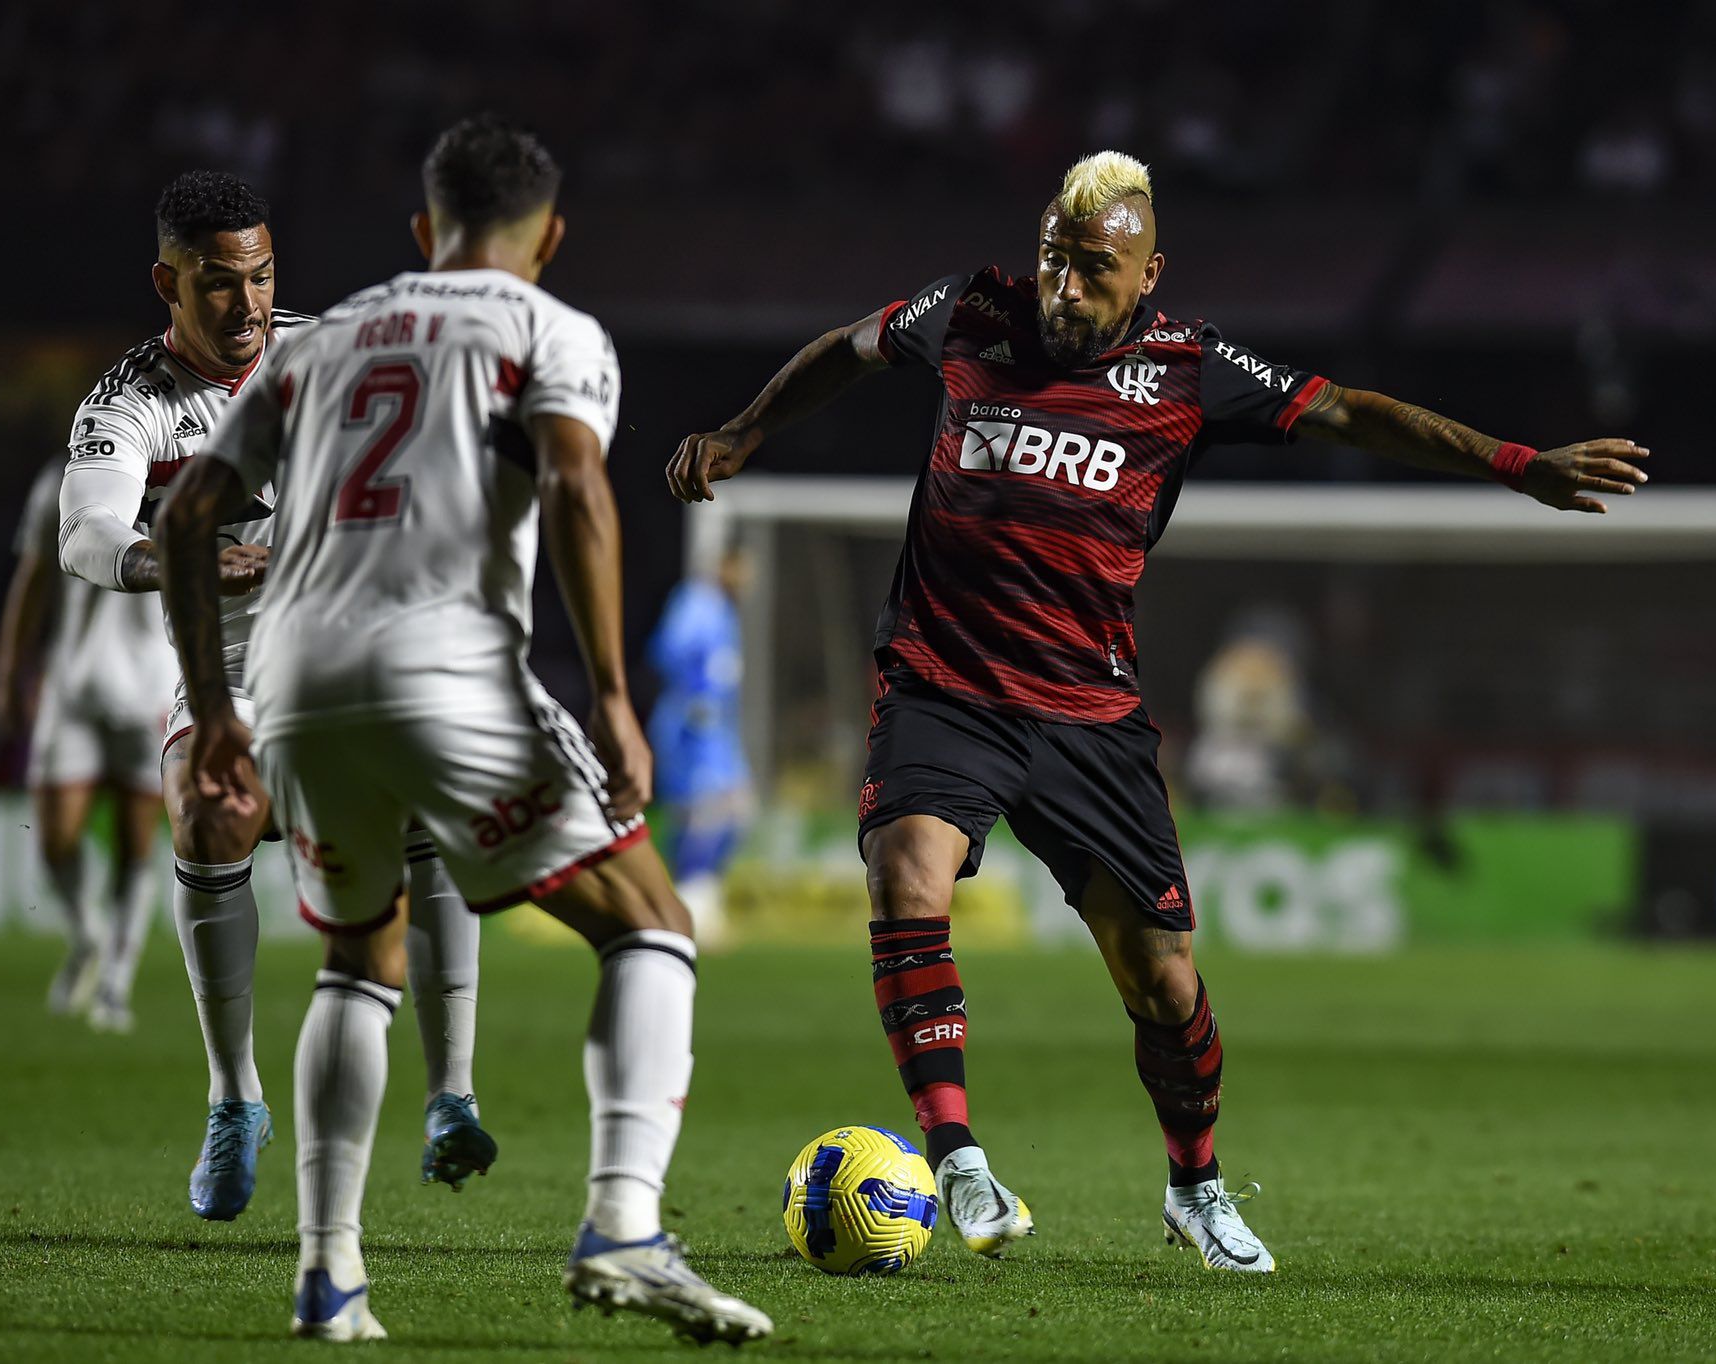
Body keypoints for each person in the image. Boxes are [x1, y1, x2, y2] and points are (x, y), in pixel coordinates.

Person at [668, 150, 1650, 1273]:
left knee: (1163, 979)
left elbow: (1350, 413)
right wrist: (745, 428)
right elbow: (839, 352)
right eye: (1054, 260)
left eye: (1094, 268)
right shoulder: (967, 311)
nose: (1065, 287)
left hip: (1089, 715)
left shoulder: (1187, 368)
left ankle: (1196, 1186)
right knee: (905, 873)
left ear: (1146, 275)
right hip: (942, 683)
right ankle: (955, 1153)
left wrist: (1514, 463)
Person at [156, 116, 771, 1344]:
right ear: (548, 236)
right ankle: (623, 1227)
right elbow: (577, 485)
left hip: (295, 682)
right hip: (445, 662)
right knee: (651, 920)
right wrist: (608, 694)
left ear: (423, 232)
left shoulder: (320, 340)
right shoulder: (549, 328)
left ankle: (329, 1276)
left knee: (355, 956)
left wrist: (216, 710)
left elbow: (186, 517)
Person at [56, 171, 494, 1221]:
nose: (246, 304)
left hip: (371, 655)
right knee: (208, 807)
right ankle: (233, 1098)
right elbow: (86, 534)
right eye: (216, 283)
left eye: (259, 276)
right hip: (236, 674)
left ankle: (451, 1092)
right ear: (167, 280)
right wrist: (181, 558)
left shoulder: (335, 352)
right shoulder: (130, 402)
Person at [0, 457, 176, 1029]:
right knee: (55, 839)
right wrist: (9, 673)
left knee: (135, 843)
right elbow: (34, 577)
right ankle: (89, 936)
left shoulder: (191, 474)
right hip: (71, 683)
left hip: (152, 688)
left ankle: (115, 984)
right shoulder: (59, 480)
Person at [644, 547, 752, 946]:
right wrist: (696, 696)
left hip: (717, 731)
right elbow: (669, 651)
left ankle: (700, 896)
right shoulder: (695, 601)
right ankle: (687, 903)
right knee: (701, 812)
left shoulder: (723, 608)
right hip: (691, 728)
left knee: (735, 809)